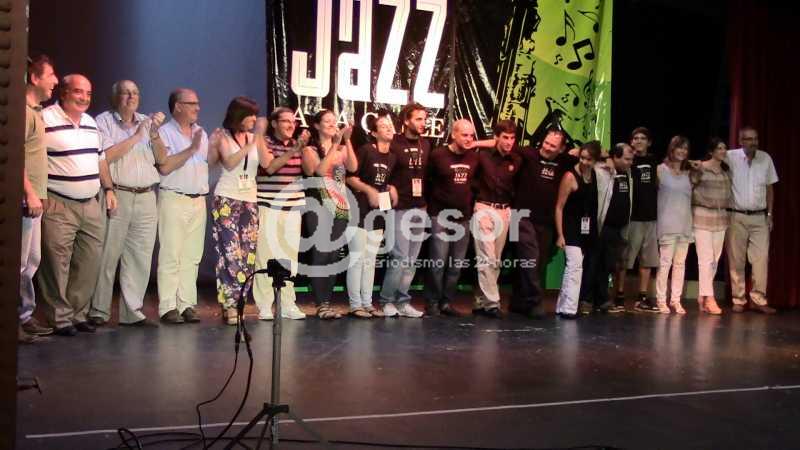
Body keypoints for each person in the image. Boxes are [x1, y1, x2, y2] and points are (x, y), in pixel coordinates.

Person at [37, 74, 118, 336]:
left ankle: (77, 314)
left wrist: (109, 189)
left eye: (88, 93)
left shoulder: (91, 123)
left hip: (90, 203)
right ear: (63, 93)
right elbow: (31, 159)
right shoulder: (45, 119)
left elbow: (100, 159)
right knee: (56, 264)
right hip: (59, 202)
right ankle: (59, 318)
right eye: (78, 92)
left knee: (88, 263)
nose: (84, 98)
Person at [89, 80, 166, 327]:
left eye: (135, 92)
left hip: (146, 196)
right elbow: (105, 156)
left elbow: (162, 159)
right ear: (115, 97)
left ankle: (132, 312)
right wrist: (136, 136)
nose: (131, 97)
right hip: (117, 193)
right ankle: (98, 310)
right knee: (107, 255)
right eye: (126, 93)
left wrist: (154, 134)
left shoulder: (147, 122)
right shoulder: (103, 121)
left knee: (140, 257)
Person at [209, 97, 270, 325]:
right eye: (250, 115)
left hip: (249, 200)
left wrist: (259, 138)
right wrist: (249, 144)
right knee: (230, 252)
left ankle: (240, 301)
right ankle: (230, 304)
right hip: (227, 198)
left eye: (255, 115)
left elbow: (266, 163)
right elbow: (230, 162)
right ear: (238, 116)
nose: (254, 119)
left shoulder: (255, 138)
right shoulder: (223, 136)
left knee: (247, 254)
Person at [156, 88, 209, 324]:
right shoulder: (164, 132)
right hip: (174, 198)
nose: (198, 107)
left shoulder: (201, 132)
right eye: (192, 103)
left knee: (192, 256)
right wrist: (190, 149)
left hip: (198, 200)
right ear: (178, 106)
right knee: (171, 255)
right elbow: (165, 166)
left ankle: (186, 303)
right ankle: (167, 306)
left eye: (197, 103)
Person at [509, 128, 574, 318]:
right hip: (522, 217)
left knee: (537, 263)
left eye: (553, 145)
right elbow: (501, 143)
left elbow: (589, 154)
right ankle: (535, 301)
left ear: (561, 149)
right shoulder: (529, 153)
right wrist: (475, 143)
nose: (547, 147)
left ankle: (518, 302)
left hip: (546, 222)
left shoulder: (564, 161)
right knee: (530, 258)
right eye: (546, 143)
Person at [252, 108, 310, 321]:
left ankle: (287, 303)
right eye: (285, 121)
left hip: (293, 208)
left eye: (293, 122)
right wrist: (295, 149)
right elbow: (269, 168)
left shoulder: (298, 145)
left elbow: (310, 171)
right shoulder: (265, 142)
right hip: (268, 206)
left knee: (289, 257)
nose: (290, 125)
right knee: (265, 257)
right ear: (274, 123)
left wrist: (304, 148)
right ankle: (265, 305)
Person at [302, 110, 357, 319]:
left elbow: (353, 167)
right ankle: (320, 303)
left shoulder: (342, 148)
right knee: (320, 254)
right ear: (317, 125)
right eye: (327, 121)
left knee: (333, 256)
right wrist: (334, 145)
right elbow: (318, 171)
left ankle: (326, 302)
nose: (333, 124)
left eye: (335, 121)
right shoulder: (309, 150)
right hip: (319, 205)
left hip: (340, 206)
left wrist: (347, 141)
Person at [19, 55, 59, 343]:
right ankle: (14, 322)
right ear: (34, 78)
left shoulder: (36, 111)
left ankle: (23, 316)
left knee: (31, 261)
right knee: (19, 263)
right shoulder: (23, 112)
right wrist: (30, 192)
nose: (55, 81)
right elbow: (16, 156)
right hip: (25, 200)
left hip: (35, 201)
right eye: (51, 75)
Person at [423, 119, 480, 317]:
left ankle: (446, 302)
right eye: (464, 135)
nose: (469, 139)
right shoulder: (438, 155)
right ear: (453, 134)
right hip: (440, 215)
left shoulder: (474, 157)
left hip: (463, 217)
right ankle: (432, 302)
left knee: (456, 264)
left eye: (471, 135)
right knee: (438, 261)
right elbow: (427, 181)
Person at [379, 103, 430, 318]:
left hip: (420, 207)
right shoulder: (394, 143)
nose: (423, 123)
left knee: (411, 260)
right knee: (399, 257)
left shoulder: (426, 144)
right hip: (399, 208)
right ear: (407, 121)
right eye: (418, 119)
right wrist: (385, 203)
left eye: (424, 119)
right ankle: (386, 300)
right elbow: (382, 173)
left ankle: (403, 301)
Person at [345, 113, 397, 318]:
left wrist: (391, 189)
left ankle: (367, 303)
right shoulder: (366, 150)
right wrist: (368, 190)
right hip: (359, 208)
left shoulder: (392, 157)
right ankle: (355, 304)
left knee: (370, 260)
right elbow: (351, 178)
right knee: (357, 259)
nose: (389, 128)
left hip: (378, 211)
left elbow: (384, 182)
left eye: (390, 125)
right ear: (374, 133)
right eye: (383, 126)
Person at [471, 120, 522, 318]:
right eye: (505, 137)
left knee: (496, 260)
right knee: (488, 257)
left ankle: (480, 301)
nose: (509, 142)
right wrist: (476, 143)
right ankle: (493, 303)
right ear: (496, 138)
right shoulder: (482, 156)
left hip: (504, 210)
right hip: (484, 207)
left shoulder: (516, 159)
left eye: (512, 138)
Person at [725, 126, 778, 314]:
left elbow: (770, 189)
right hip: (736, 215)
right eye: (748, 139)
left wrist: (770, 214)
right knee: (736, 259)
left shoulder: (765, 158)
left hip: (759, 217)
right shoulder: (730, 157)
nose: (753, 142)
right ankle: (738, 299)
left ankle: (758, 299)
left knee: (761, 259)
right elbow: (711, 165)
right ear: (740, 141)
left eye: (755, 139)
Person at [583, 143, 634, 314]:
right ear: (616, 157)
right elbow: (582, 154)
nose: (630, 163)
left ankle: (602, 299)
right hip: (600, 226)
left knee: (607, 265)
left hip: (617, 228)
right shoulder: (602, 169)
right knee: (592, 263)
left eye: (631, 159)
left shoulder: (627, 173)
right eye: (626, 159)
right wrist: (605, 158)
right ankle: (586, 299)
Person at [554, 142, 601, 319]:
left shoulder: (593, 174)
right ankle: (570, 308)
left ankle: (562, 306)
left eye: (588, 159)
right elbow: (559, 207)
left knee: (573, 267)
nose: (584, 162)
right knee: (575, 266)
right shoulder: (570, 176)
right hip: (570, 226)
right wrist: (560, 234)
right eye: (582, 158)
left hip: (585, 227)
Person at [616, 127, 660, 312]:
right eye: (635, 138)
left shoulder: (653, 161)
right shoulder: (627, 160)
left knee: (647, 261)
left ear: (649, 142)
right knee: (625, 260)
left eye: (643, 138)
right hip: (632, 218)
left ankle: (642, 298)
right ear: (631, 141)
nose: (639, 141)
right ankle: (619, 296)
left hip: (650, 218)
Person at [690, 137, 731, 315]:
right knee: (705, 259)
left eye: (724, 148)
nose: (723, 151)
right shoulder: (701, 167)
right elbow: (691, 186)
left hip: (720, 218)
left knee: (714, 259)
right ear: (711, 151)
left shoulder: (725, 171)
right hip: (702, 216)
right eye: (719, 148)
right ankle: (709, 297)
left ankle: (702, 295)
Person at [655, 136, 694, 314]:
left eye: (685, 149)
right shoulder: (661, 170)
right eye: (679, 148)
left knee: (680, 264)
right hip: (667, 223)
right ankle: (661, 299)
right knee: (665, 263)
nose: (682, 151)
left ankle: (676, 300)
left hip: (684, 224)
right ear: (672, 149)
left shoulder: (689, 173)